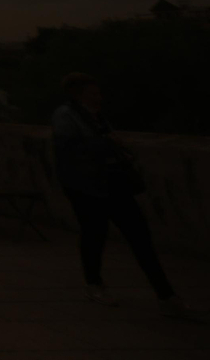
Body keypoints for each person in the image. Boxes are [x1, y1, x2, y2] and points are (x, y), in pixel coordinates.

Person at [52, 73, 191, 316]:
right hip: (86, 187)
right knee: (95, 235)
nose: (99, 98)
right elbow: (69, 147)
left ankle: (166, 295)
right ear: (79, 94)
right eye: (93, 93)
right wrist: (107, 142)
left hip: (111, 184)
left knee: (139, 237)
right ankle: (94, 283)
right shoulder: (66, 115)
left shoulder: (95, 117)